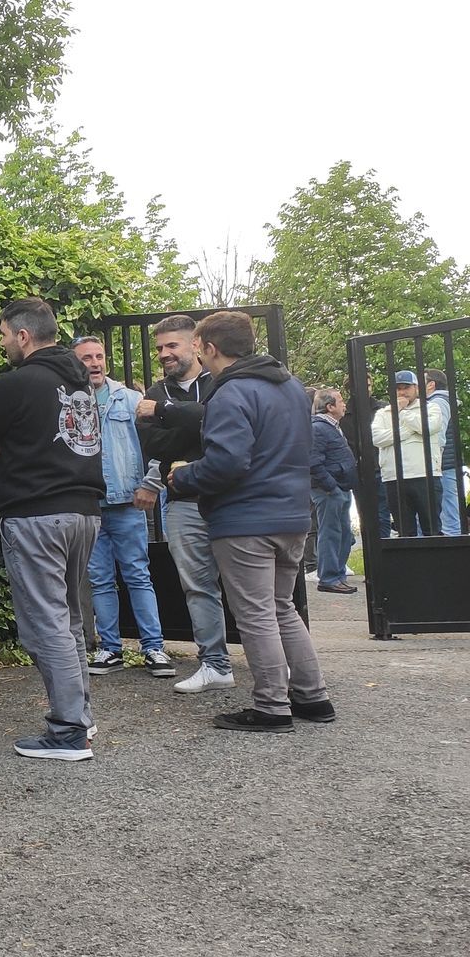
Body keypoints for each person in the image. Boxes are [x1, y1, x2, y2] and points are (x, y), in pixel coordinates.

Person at [0, 298, 104, 762]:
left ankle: (68, 731)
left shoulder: (18, 383)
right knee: (70, 619)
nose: (2, 344)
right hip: (85, 512)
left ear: (23, 335)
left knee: (46, 625)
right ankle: (80, 716)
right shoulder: (81, 381)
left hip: (37, 513)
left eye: (3, 336)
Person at [169, 312, 334, 732]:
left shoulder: (231, 392)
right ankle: (313, 697)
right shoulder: (292, 387)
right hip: (292, 516)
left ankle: (272, 707)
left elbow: (227, 463)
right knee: (281, 608)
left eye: (198, 348)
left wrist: (183, 476)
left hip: (246, 521)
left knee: (256, 615)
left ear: (210, 348)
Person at [136, 315, 237, 694]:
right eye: (159, 348)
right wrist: (196, 430)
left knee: (247, 586)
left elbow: (224, 425)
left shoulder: (222, 382)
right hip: (181, 503)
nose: (164, 354)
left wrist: (172, 419)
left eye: (172, 345)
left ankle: (271, 662)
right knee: (197, 586)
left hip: (229, 500)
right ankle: (215, 664)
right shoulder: (154, 392)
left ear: (196, 344)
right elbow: (154, 445)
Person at [71, 336, 173, 675]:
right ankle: (110, 649)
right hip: (89, 505)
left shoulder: (129, 399)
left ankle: (154, 648)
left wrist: (151, 483)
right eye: (86, 358)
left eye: (99, 356)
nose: (95, 363)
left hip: (128, 502)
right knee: (100, 579)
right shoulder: (68, 402)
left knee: (138, 576)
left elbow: (157, 445)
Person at [371, 370, 445, 538]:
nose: (402, 392)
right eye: (398, 388)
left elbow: (428, 427)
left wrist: (402, 412)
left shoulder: (431, 408)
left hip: (425, 475)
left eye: (406, 387)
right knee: (405, 533)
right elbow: (377, 439)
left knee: (432, 530)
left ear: (416, 388)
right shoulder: (383, 413)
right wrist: (408, 431)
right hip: (394, 477)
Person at [310, 386, 359, 593]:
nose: (344, 405)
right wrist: (331, 487)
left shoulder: (331, 426)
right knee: (331, 533)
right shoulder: (319, 428)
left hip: (339, 488)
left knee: (343, 533)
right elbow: (313, 461)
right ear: (330, 407)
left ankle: (337, 575)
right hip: (329, 490)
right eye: (341, 401)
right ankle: (329, 578)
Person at [426, 370, 462, 535]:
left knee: (447, 507)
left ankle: (453, 541)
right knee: (448, 504)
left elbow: (438, 434)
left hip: (442, 464)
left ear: (431, 384)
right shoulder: (442, 400)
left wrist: (434, 460)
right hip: (446, 462)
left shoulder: (438, 402)